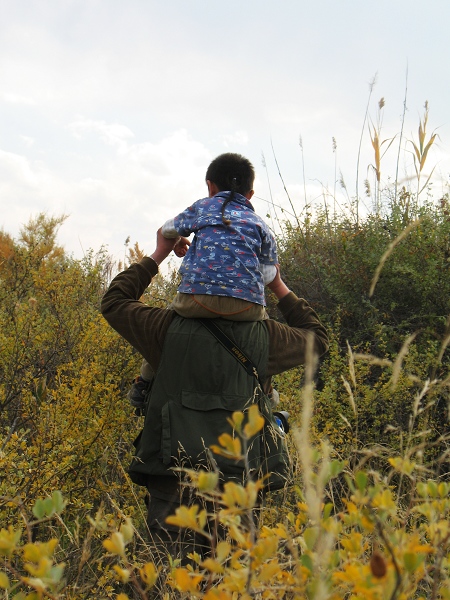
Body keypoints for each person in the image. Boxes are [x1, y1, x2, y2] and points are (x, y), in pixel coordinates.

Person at [101, 228, 329, 562]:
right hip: (240, 483)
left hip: (172, 480)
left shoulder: (163, 328)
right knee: (232, 580)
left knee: (165, 578)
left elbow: (115, 302)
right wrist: (277, 283)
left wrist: (159, 253)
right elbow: (317, 339)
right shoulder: (267, 337)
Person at [129, 152, 279, 405]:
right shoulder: (261, 225)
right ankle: (265, 391)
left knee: (166, 331)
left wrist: (178, 239)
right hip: (247, 308)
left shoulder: (203, 208)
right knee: (263, 338)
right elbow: (269, 274)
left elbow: (166, 230)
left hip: (196, 301)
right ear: (250, 195)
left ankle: (144, 383)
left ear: (210, 186)